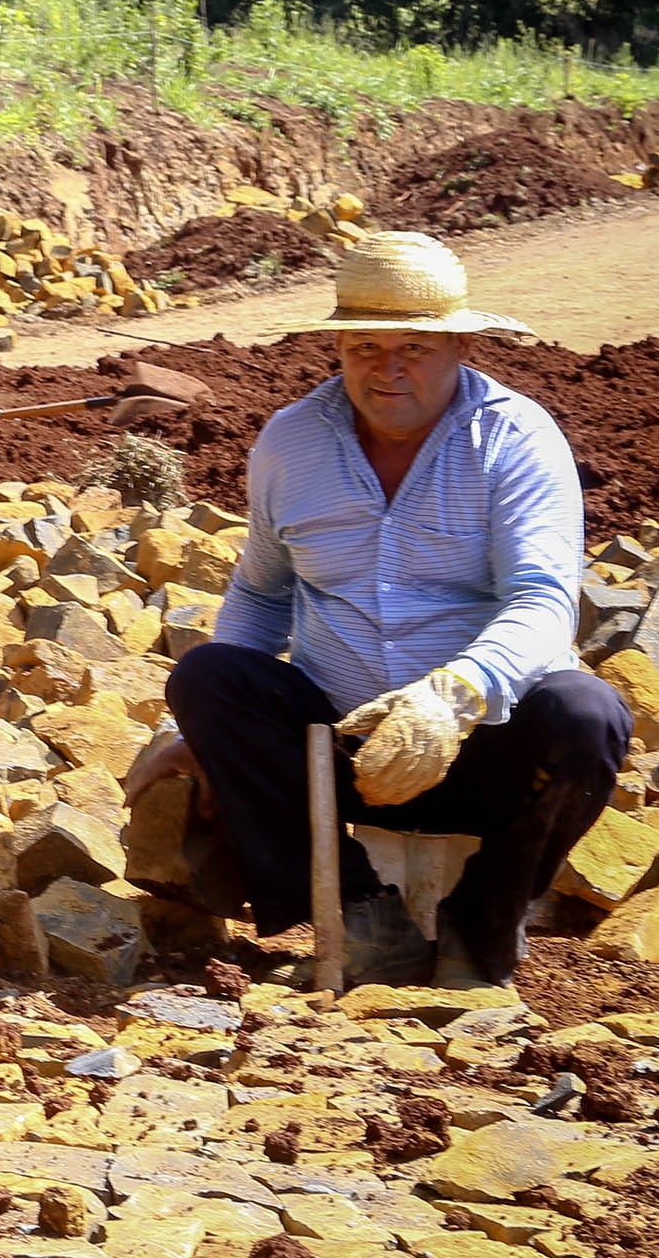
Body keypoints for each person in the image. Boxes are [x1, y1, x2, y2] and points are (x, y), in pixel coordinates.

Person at [128, 230, 630, 988]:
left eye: (415, 349)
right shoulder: (292, 443)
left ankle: (485, 923)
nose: (388, 370)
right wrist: (199, 734)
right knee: (209, 678)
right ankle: (362, 913)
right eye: (365, 347)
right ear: (338, 348)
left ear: (461, 345)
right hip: (339, 750)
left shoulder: (515, 441)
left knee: (586, 714)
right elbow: (262, 595)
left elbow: (543, 599)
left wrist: (456, 694)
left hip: (480, 746)